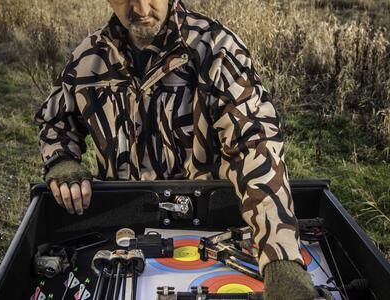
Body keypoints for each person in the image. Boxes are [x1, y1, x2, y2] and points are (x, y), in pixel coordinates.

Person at [35, 0, 325, 299]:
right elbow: (56, 119)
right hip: (120, 228)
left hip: (206, 224)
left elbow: (255, 146)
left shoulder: (216, 49)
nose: (142, 8)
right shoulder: (89, 56)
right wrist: (62, 159)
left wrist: (280, 258)